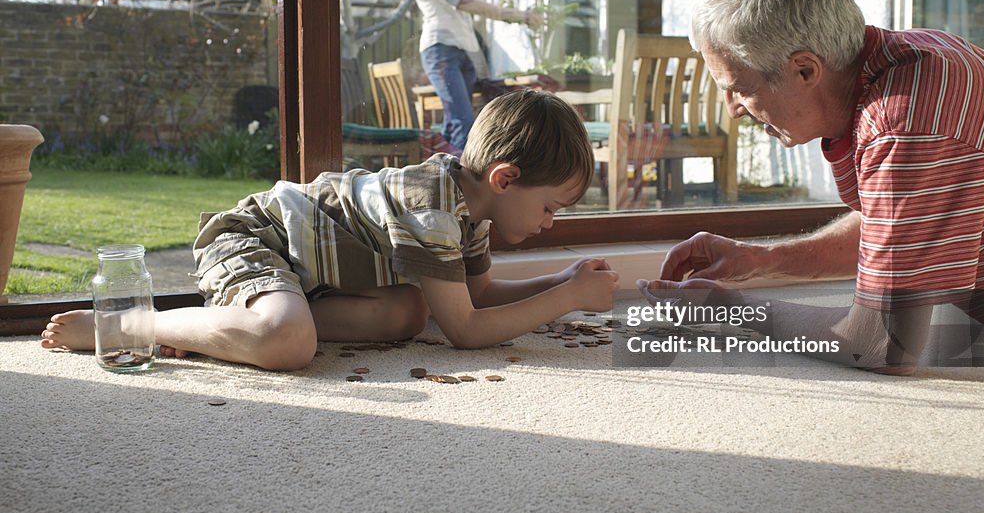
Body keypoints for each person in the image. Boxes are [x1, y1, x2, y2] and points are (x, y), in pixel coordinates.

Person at [640, 0, 984, 374]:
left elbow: (880, 344)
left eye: (740, 88)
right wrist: (761, 259)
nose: (732, 109)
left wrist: (732, 307)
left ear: (805, 70)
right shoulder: (907, 58)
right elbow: (897, 224)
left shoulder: (907, 125)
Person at [42, 90, 619, 370]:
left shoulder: (472, 214)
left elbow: (480, 297)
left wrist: (561, 278)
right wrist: (566, 298)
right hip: (254, 239)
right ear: (505, 177)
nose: (550, 223)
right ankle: (130, 325)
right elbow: (467, 330)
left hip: (309, 274)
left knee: (408, 312)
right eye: (550, 207)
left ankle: (224, 329)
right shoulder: (433, 209)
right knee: (288, 344)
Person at [407, 0, 542, 150]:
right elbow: (465, 3)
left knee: (456, 120)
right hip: (441, 49)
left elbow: (477, 1)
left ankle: (442, 176)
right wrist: (518, 15)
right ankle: (465, 183)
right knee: (463, 121)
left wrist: (520, 15)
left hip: (463, 49)